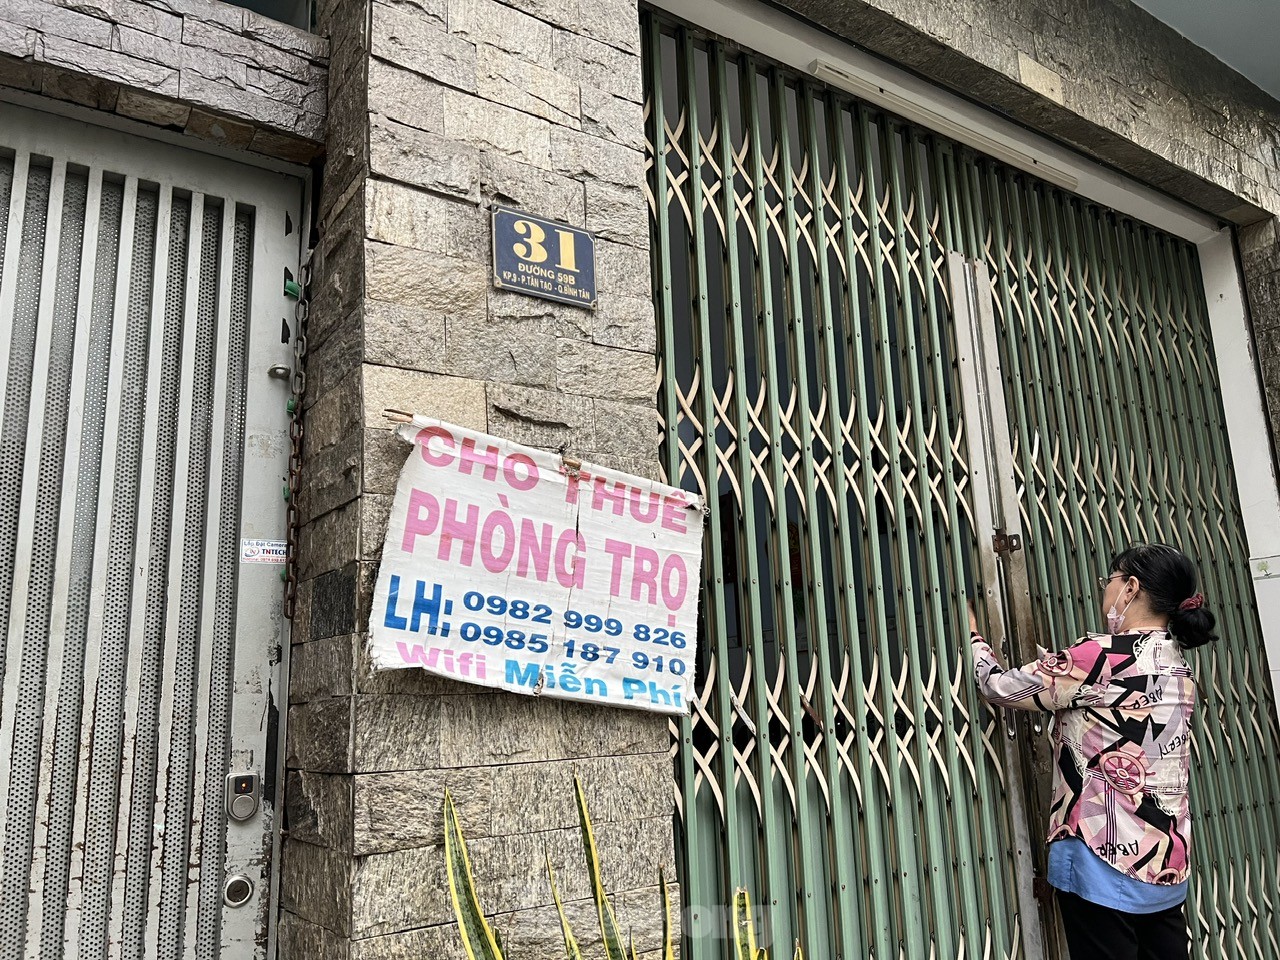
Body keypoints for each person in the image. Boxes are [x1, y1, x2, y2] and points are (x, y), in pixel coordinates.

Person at [968, 543, 1218, 960]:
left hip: (1103, 862)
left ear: (1131, 588)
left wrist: (973, 638)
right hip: (1165, 862)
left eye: (1110, 581)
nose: (1106, 589)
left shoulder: (1101, 655)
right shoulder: (1179, 663)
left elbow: (999, 687)